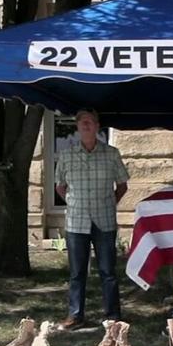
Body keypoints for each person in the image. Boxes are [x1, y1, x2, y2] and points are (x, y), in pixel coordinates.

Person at [55, 108, 129, 330]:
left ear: (98, 127)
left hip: (104, 220)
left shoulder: (111, 153)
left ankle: (113, 316)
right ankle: (75, 315)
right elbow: (60, 186)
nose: (86, 126)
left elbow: (123, 185)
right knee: (77, 272)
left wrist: (108, 202)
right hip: (76, 222)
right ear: (77, 127)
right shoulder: (66, 155)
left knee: (108, 271)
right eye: (82, 123)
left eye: (90, 122)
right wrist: (74, 203)